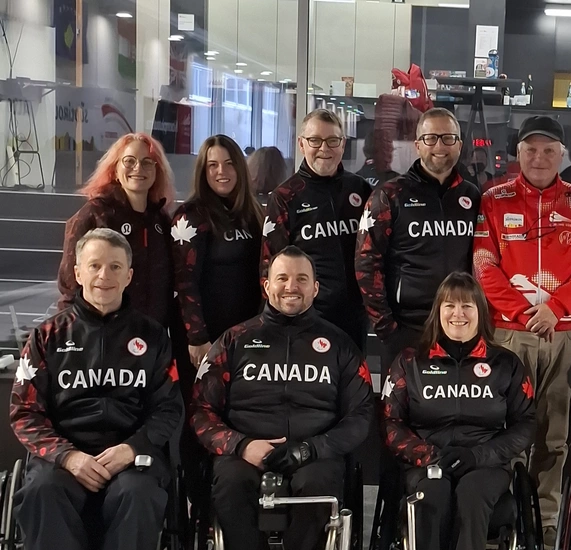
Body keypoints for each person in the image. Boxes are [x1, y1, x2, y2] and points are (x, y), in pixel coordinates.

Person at [10, 229, 182, 550]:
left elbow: (169, 410)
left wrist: (132, 449)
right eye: (94, 266)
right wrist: (67, 457)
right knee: (42, 491)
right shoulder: (46, 337)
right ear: (78, 272)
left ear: (129, 275)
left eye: (114, 267)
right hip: (65, 460)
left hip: (129, 457)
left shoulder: (153, 336)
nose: (103, 275)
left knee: (142, 495)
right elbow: (25, 414)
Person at [192, 246, 373, 550]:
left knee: (317, 488)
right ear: (266, 285)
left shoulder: (340, 345)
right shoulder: (234, 340)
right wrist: (240, 445)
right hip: (245, 456)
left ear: (316, 288)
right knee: (232, 485)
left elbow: (361, 416)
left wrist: (312, 448)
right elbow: (201, 411)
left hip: (314, 456)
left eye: (301, 279)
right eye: (283, 278)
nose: (291, 287)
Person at [381, 272, 534, 550]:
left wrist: (478, 455)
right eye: (450, 304)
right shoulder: (409, 361)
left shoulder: (507, 364)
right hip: (427, 464)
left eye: (467, 305)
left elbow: (526, 425)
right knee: (434, 496)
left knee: (471, 494)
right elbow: (390, 422)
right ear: (438, 311)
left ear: (481, 311)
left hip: (485, 465)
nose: (458, 313)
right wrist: (428, 454)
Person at [473, 115, 571, 545]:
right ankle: (504, 514)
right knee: (504, 427)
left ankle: (545, 521)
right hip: (510, 332)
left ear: (563, 154)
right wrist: (525, 311)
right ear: (517, 153)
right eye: (531, 148)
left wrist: (558, 308)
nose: (540, 157)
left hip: (562, 332)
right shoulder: (494, 200)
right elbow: (483, 265)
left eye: (549, 149)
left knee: (552, 431)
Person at [355, 107, 481, 367]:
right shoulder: (389, 195)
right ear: (417, 145)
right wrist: (386, 328)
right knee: (401, 406)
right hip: (406, 327)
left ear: (459, 145)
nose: (440, 146)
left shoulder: (473, 196)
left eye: (448, 138)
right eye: (430, 138)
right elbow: (366, 263)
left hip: (460, 324)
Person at [262, 110, 372, 350]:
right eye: (315, 140)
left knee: (352, 384)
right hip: (308, 317)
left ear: (342, 145)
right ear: (302, 144)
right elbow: (270, 264)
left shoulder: (361, 189)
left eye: (333, 140)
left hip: (355, 316)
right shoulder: (285, 197)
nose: (324, 148)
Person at [58, 133, 177, 327]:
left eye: (148, 162)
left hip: (152, 338)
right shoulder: (95, 213)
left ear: (157, 172)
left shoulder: (161, 220)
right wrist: (71, 334)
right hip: (104, 334)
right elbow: (69, 284)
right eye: (129, 161)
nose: (138, 168)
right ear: (115, 169)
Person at [171, 135, 264, 372]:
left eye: (229, 163)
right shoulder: (190, 216)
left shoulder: (252, 215)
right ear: (204, 171)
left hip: (247, 333)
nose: (221, 171)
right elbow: (184, 282)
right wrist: (197, 337)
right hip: (205, 337)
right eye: (213, 165)